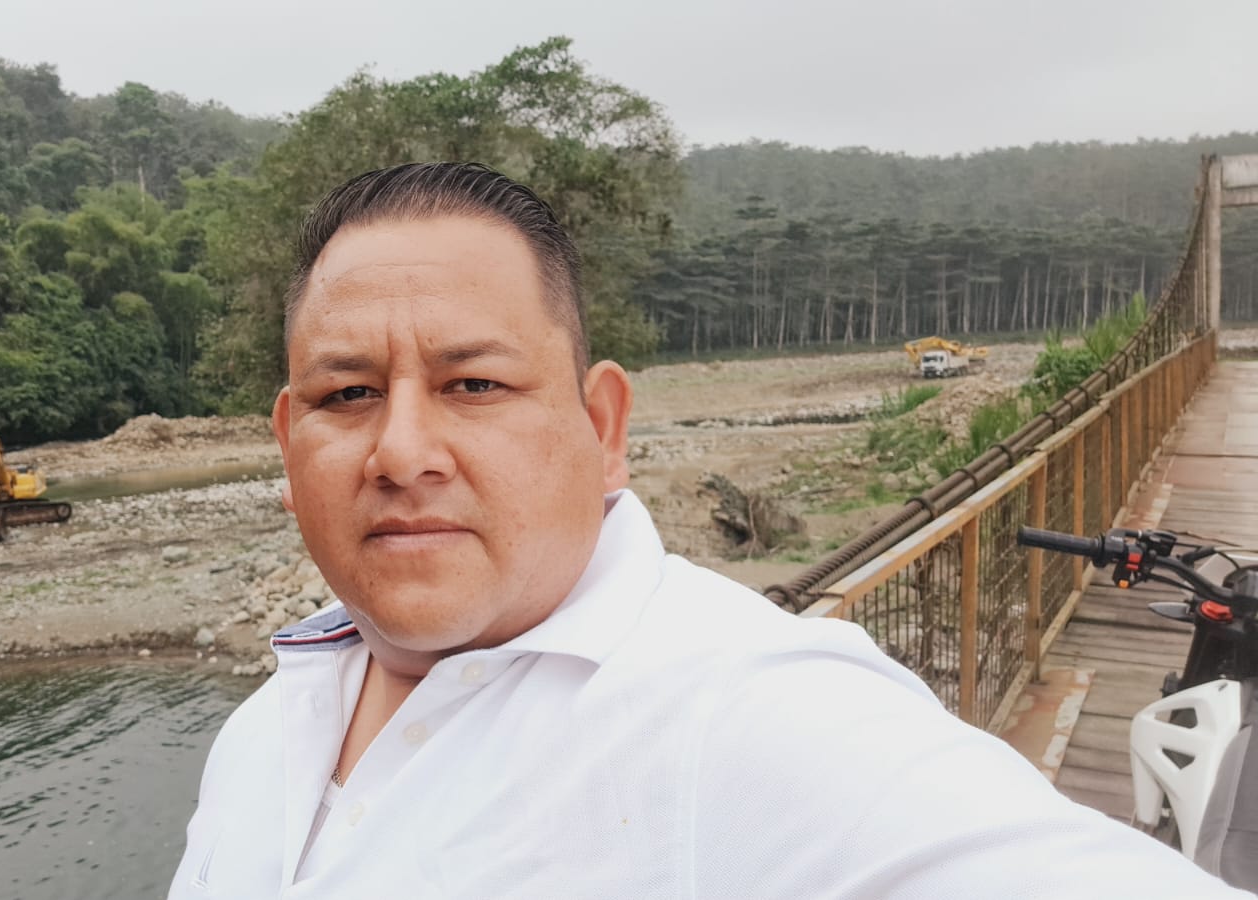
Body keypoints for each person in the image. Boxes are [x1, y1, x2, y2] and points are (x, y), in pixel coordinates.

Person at [168, 162, 1252, 899]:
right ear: (288, 445)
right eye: (348, 395)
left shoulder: (753, 714)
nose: (402, 451)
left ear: (602, 428)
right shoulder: (269, 724)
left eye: (474, 384)